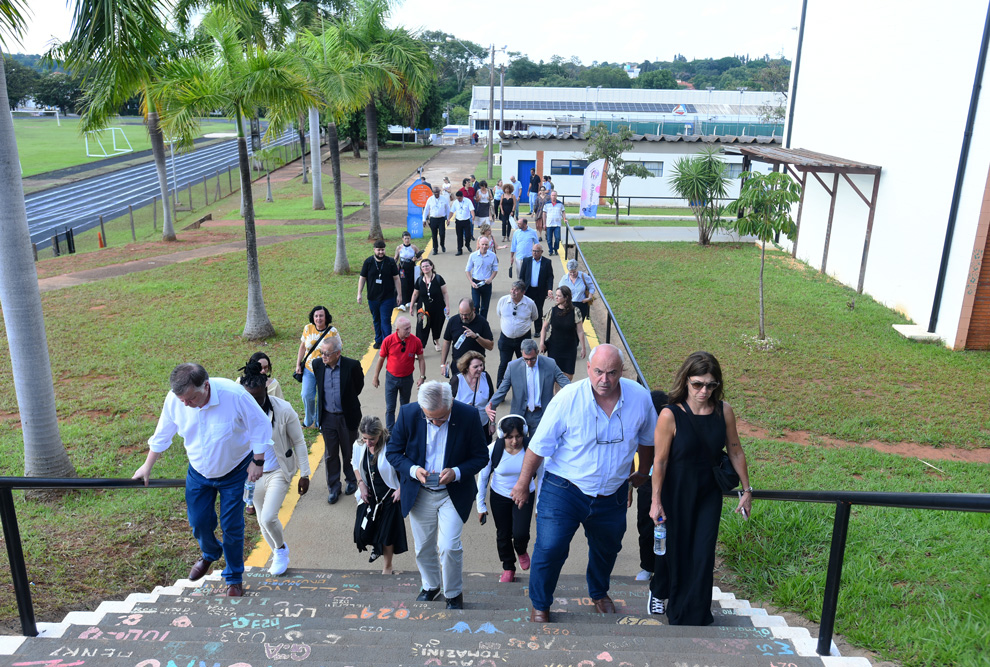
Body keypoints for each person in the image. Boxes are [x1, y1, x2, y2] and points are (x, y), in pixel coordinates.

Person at [510, 345, 657, 623]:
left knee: (608, 547)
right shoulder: (567, 399)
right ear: (588, 369)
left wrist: (644, 471)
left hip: (612, 494)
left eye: (612, 373)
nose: (605, 379)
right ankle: (540, 604)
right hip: (564, 489)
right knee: (551, 547)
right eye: (599, 372)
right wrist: (522, 483)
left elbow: (648, 439)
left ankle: (599, 592)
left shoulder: (640, 398)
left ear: (621, 372)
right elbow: (539, 446)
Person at [134, 363, 273, 597]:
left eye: (191, 399)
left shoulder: (234, 395)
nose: (186, 405)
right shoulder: (176, 400)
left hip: (234, 470)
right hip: (199, 472)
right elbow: (162, 433)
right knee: (199, 522)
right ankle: (210, 553)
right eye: (182, 401)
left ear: (206, 386)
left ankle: (234, 578)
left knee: (232, 526)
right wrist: (147, 466)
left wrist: (257, 461)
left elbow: (260, 425)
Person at [649, 352, 753, 624]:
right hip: (676, 490)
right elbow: (659, 462)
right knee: (676, 549)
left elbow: (735, 450)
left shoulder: (723, 411)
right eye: (697, 384)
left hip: (708, 491)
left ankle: (693, 613)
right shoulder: (670, 415)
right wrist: (655, 500)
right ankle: (660, 591)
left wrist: (747, 489)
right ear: (685, 381)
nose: (703, 391)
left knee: (703, 551)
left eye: (710, 385)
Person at [385, 381, 490, 609]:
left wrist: (457, 472)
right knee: (423, 547)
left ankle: (453, 593)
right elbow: (393, 452)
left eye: (441, 418)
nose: (435, 422)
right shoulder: (408, 413)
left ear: (451, 404)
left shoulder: (469, 415)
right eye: (430, 418)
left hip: (452, 492)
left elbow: (481, 456)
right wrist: (414, 470)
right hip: (420, 491)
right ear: (422, 409)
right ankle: (431, 586)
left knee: (449, 546)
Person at [238, 361, 310, 576]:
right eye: (250, 398)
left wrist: (305, 474)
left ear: (265, 393)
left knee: (269, 517)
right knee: (261, 521)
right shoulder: (239, 413)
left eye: (259, 398)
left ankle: (280, 551)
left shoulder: (284, 409)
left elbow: (299, 442)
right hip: (253, 474)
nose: (255, 404)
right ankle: (277, 551)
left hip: (279, 470)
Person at [477, 414, 543, 583]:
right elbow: (483, 477)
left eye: (518, 436)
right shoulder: (493, 450)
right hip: (499, 496)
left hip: (525, 495)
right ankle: (508, 567)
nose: (515, 441)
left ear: (525, 433)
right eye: (510, 437)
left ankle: (521, 550)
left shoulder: (532, 450)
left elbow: (542, 477)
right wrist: (480, 505)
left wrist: (539, 507)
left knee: (521, 533)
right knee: (503, 534)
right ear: (502, 435)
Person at [351, 415, 407, 575]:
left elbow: (404, 466)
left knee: (387, 534)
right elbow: (354, 464)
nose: (368, 443)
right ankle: (376, 547)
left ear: (380, 434)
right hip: (370, 495)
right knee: (362, 532)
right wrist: (361, 484)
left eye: (372, 439)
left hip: (389, 496)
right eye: (365, 438)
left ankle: (387, 567)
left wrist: (401, 489)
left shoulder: (392, 445)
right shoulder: (359, 444)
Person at [313, 336, 365, 505]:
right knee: (330, 454)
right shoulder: (317, 365)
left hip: (347, 416)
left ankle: (351, 480)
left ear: (338, 353)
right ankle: (334, 487)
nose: (323, 356)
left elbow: (358, 387)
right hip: (327, 417)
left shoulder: (352, 366)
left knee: (349, 451)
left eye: (327, 353)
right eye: (321, 352)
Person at [486, 339, 569, 437]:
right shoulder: (512, 367)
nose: (529, 363)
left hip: (542, 415)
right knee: (518, 449)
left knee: (538, 448)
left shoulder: (550, 364)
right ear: (521, 353)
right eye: (526, 359)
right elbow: (502, 390)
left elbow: (566, 384)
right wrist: (491, 405)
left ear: (538, 352)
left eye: (532, 359)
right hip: (519, 415)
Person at [633, 390, 669, 581]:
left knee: (667, 527)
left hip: (669, 483)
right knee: (645, 526)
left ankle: (666, 569)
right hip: (646, 481)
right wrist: (630, 491)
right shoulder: (642, 425)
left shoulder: (672, 426)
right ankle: (647, 566)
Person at [372, 316, 427, 432]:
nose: (409, 331)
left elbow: (421, 359)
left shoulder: (416, 341)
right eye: (406, 329)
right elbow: (381, 359)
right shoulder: (388, 341)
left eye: (410, 328)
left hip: (407, 379)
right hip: (391, 379)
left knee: (405, 406)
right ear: (398, 330)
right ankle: (390, 432)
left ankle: (403, 429)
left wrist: (422, 377)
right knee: (390, 407)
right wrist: (375, 377)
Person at [295, 306, 339, 428]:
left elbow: (338, 350)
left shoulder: (332, 332)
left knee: (322, 398)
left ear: (326, 317)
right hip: (309, 369)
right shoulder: (308, 328)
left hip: (326, 370)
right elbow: (303, 347)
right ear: (313, 317)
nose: (318, 318)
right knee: (306, 395)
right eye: (316, 316)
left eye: (321, 316)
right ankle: (309, 420)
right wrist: (298, 364)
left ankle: (320, 422)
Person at [358, 240, 402, 349]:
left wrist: (399, 295)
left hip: (388, 297)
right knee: (376, 319)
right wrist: (359, 293)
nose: (381, 252)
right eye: (379, 250)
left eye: (382, 250)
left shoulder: (390, 262)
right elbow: (362, 278)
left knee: (386, 320)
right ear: (374, 250)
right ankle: (378, 340)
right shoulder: (368, 262)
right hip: (372, 298)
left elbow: (396, 279)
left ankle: (387, 342)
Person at [494, 280, 539, 386]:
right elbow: (499, 314)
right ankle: (500, 390)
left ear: (523, 292)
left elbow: (535, 317)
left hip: (523, 340)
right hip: (506, 339)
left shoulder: (530, 303)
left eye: (516, 290)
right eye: (512, 289)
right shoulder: (503, 301)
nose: (513, 292)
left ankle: (526, 388)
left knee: (525, 364)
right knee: (504, 364)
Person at [540, 286, 588, 380]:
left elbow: (580, 331)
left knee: (569, 375)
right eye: (556, 295)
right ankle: (556, 394)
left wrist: (583, 347)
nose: (556, 297)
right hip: (554, 347)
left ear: (566, 297)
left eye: (559, 296)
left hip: (569, 348)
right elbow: (544, 327)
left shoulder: (575, 311)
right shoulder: (552, 310)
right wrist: (542, 342)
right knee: (554, 375)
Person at [440, 298, 495, 376]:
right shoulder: (453, 321)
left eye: (466, 314)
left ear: (473, 310)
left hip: (476, 367)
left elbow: (490, 346)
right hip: (458, 366)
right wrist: (443, 364)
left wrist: (476, 337)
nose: (463, 317)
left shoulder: (482, 323)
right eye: (461, 314)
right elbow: (447, 342)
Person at [449, 350, 495, 437]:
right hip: (462, 427)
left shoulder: (486, 377)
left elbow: (492, 402)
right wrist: (463, 408)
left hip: (483, 425)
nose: (480, 369)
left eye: (481, 365)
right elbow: (446, 403)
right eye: (475, 367)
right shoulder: (457, 380)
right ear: (466, 367)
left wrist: (492, 423)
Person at [410, 258, 449, 352]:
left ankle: (436, 341)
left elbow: (445, 293)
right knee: (421, 328)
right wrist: (411, 307)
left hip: (438, 307)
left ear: (431, 266)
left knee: (437, 326)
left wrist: (447, 306)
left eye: (427, 266)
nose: (425, 268)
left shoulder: (439, 279)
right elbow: (415, 294)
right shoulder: (419, 280)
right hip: (423, 309)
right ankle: (420, 347)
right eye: (423, 266)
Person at [519, 244, 554, 337]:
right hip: (528, 290)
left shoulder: (547, 262)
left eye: (537, 251)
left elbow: (550, 277)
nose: (535, 253)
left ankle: (538, 330)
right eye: (533, 251)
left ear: (541, 252)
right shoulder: (526, 261)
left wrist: (549, 289)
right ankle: (526, 330)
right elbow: (521, 276)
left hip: (540, 290)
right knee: (526, 310)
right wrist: (521, 289)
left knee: (538, 310)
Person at [465, 236, 499, 320]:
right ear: (479, 244)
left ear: (489, 245)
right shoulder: (473, 255)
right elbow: (467, 270)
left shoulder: (492, 256)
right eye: (482, 244)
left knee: (485, 307)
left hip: (487, 283)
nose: (484, 246)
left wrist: (490, 279)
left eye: (486, 244)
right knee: (475, 305)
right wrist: (471, 282)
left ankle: (483, 324)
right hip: (476, 283)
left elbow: (495, 270)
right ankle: (475, 322)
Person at [395, 231, 421, 310]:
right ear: (402, 239)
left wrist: (416, 258)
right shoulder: (399, 248)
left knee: (411, 283)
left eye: (408, 238)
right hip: (403, 268)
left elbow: (420, 257)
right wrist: (392, 266)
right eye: (405, 238)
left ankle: (410, 301)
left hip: (411, 266)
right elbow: (396, 258)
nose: (407, 240)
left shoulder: (414, 247)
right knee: (403, 283)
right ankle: (402, 302)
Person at [423, 185, 451, 254]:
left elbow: (448, 209)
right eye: (435, 192)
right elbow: (426, 210)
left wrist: (448, 219)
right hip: (433, 219)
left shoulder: (444, 199)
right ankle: (435, 249)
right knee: (434, 235)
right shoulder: (430, 199)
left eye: (437, 192)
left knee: (442, 234)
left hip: (441, 219)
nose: (436, 194)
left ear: (439, 192)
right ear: (432, 192)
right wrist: (424, 219)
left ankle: (442, 245)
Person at [449, 190, 475, 256]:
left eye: (460, 198)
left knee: (468, 235)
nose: (458, 199)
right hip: (458, 221)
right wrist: (448, 219)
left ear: (462, 196)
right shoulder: (455, 202)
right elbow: (452, 211)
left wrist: (473, 216)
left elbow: (471, 209)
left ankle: (467, 245)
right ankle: (459, 249)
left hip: (466, 221)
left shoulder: (468, 201)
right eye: (457, 198)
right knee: (459, 236)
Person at [544, 191, 566, 256]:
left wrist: (565, 219)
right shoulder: (547, 204)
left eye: (554, 195)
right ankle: (550, 250)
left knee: (557, 238)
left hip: (557, 224)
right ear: (550, 196)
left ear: (556, 196)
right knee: (549, 239)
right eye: (552, 195)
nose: (553, 197)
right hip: (549, 224)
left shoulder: (560, 204)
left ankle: (556, 249)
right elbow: (544, 213)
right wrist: (544, 223)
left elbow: (563, 212)